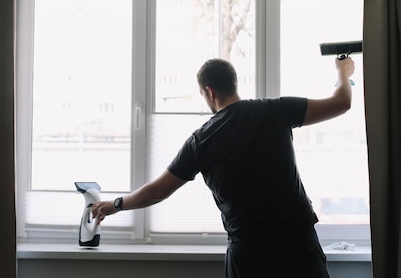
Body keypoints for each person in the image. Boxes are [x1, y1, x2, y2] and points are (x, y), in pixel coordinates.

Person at [91, 57, 355, 278]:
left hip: (250, 255)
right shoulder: (276, 109)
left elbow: (157, 192)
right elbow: (342, 102)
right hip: (298, 246)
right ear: (233, 84)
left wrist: (114, 205)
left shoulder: (202, 139)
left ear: (210, 92)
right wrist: (343, 72)